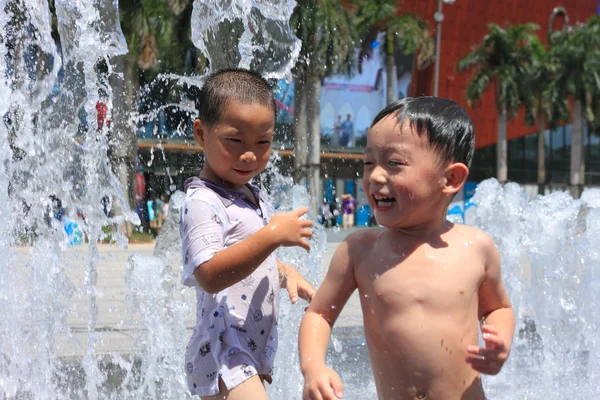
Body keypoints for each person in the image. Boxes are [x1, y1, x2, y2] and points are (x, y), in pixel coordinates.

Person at [299, 97, 515, 400]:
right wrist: (313, 367)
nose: (374, 176)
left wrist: (500, 339)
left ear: (450, 178)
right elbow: (319, 314)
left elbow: (498, 307)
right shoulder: (360, 251)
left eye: (394, 163)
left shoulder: (476, 247)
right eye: (369, 162)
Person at [180, 68, 316, 400]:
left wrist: (284, 272)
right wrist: (271, 235)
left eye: (263, 142)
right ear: (201, 133)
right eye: (235, 140)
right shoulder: (203, 202)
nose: (249, 154)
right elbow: (209, 275)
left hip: (248, 344)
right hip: (223, 346)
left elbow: (249, 257)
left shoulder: (251, 196)